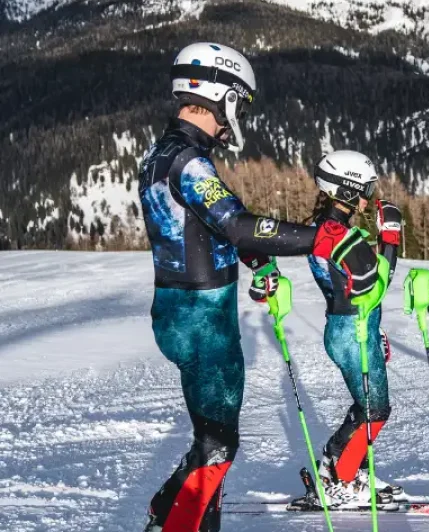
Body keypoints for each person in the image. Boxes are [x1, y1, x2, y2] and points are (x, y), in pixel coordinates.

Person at [138, 43, 386, 532]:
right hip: (200, 316)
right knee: (216, 445)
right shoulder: (187, 161)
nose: (238, 116)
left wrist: (256, 261)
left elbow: (208, 226)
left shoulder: (168, 153)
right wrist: (324, 236)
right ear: (221, 93)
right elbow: (235, 224)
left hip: (187, 306)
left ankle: (175, 515)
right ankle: (175, 522)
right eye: (240, 102)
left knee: (213, 440)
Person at [301, 150, 404, 509]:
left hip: (356, 328)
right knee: (376, 411)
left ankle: (340, 467)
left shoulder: (332, 230)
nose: (369, 197)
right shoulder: (336, 235)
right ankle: (339, 480)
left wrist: (374, 333)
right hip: (352, 330)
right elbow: (374, 286)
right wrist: (390, 240)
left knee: (368, 407)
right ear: (345, 190)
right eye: (365, 189)